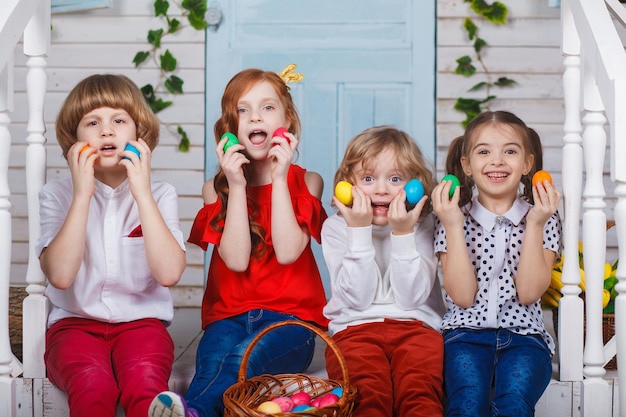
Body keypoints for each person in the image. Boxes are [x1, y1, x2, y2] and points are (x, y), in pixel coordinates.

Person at [149, 67, 329, 417]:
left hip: (291, 322)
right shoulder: (215, 189)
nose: (255, 116)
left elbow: (290, 251)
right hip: (227, 317)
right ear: (231, 129)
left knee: (240, 357)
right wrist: (237, 185)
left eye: (267, 107)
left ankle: (194, 411)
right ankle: (195, 412)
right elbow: (236, 260)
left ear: (287, 121)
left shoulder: (307, 181)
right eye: (242, 110)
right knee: (212, 363)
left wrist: (279, 177)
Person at [36, 74, 187, 417]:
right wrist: (82, 195)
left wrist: (142, 194)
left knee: (146, 383)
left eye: (118, 120)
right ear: (73, 140)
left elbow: (169, 273)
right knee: (93, 385)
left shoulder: (160, 195)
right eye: (93, 122)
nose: (106, 131)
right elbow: (60, 276)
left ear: (140, 136)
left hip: (142, 326)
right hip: (74, 327)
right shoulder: (56, 196)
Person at [430, 110, 561, 417]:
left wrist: (535, 224)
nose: (497, 160)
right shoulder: (450, 216)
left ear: (527, 164)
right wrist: (452, 225)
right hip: (465, 337)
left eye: (510, 151)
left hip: (525, 340)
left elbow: (529, 293)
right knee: (466, 403)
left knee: (513, 404)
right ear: (467, 166)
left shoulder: (545, 217)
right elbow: (462, 297)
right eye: (484, 151)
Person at [322, 125, 447, 417]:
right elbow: (357, 299)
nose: (380, 189)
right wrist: (359, 231)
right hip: (353, 331)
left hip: (417, 329)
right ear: (348, 184)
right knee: (365, 395)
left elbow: (410, 298)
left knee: (420, 393)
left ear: (414, 184)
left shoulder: (424, 225)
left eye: (395, 178)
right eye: (368, 178)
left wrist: (403, 233)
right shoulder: (337, 229)